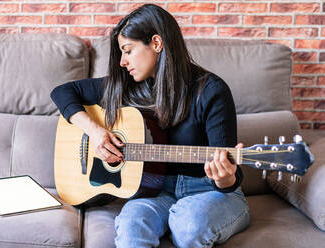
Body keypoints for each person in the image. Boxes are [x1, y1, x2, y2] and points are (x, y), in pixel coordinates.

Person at [51, 4, 250, 248]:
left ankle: (178, 219)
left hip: (210, 192)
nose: (122, 62)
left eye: (128, 50)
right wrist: (96, 132)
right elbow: (62, 92)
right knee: (131, 228)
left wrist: (224, 177)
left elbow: (231, 176)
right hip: (155, 191)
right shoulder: (128, 86)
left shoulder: (211, 91)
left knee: (188, 225)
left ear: (156, 44)